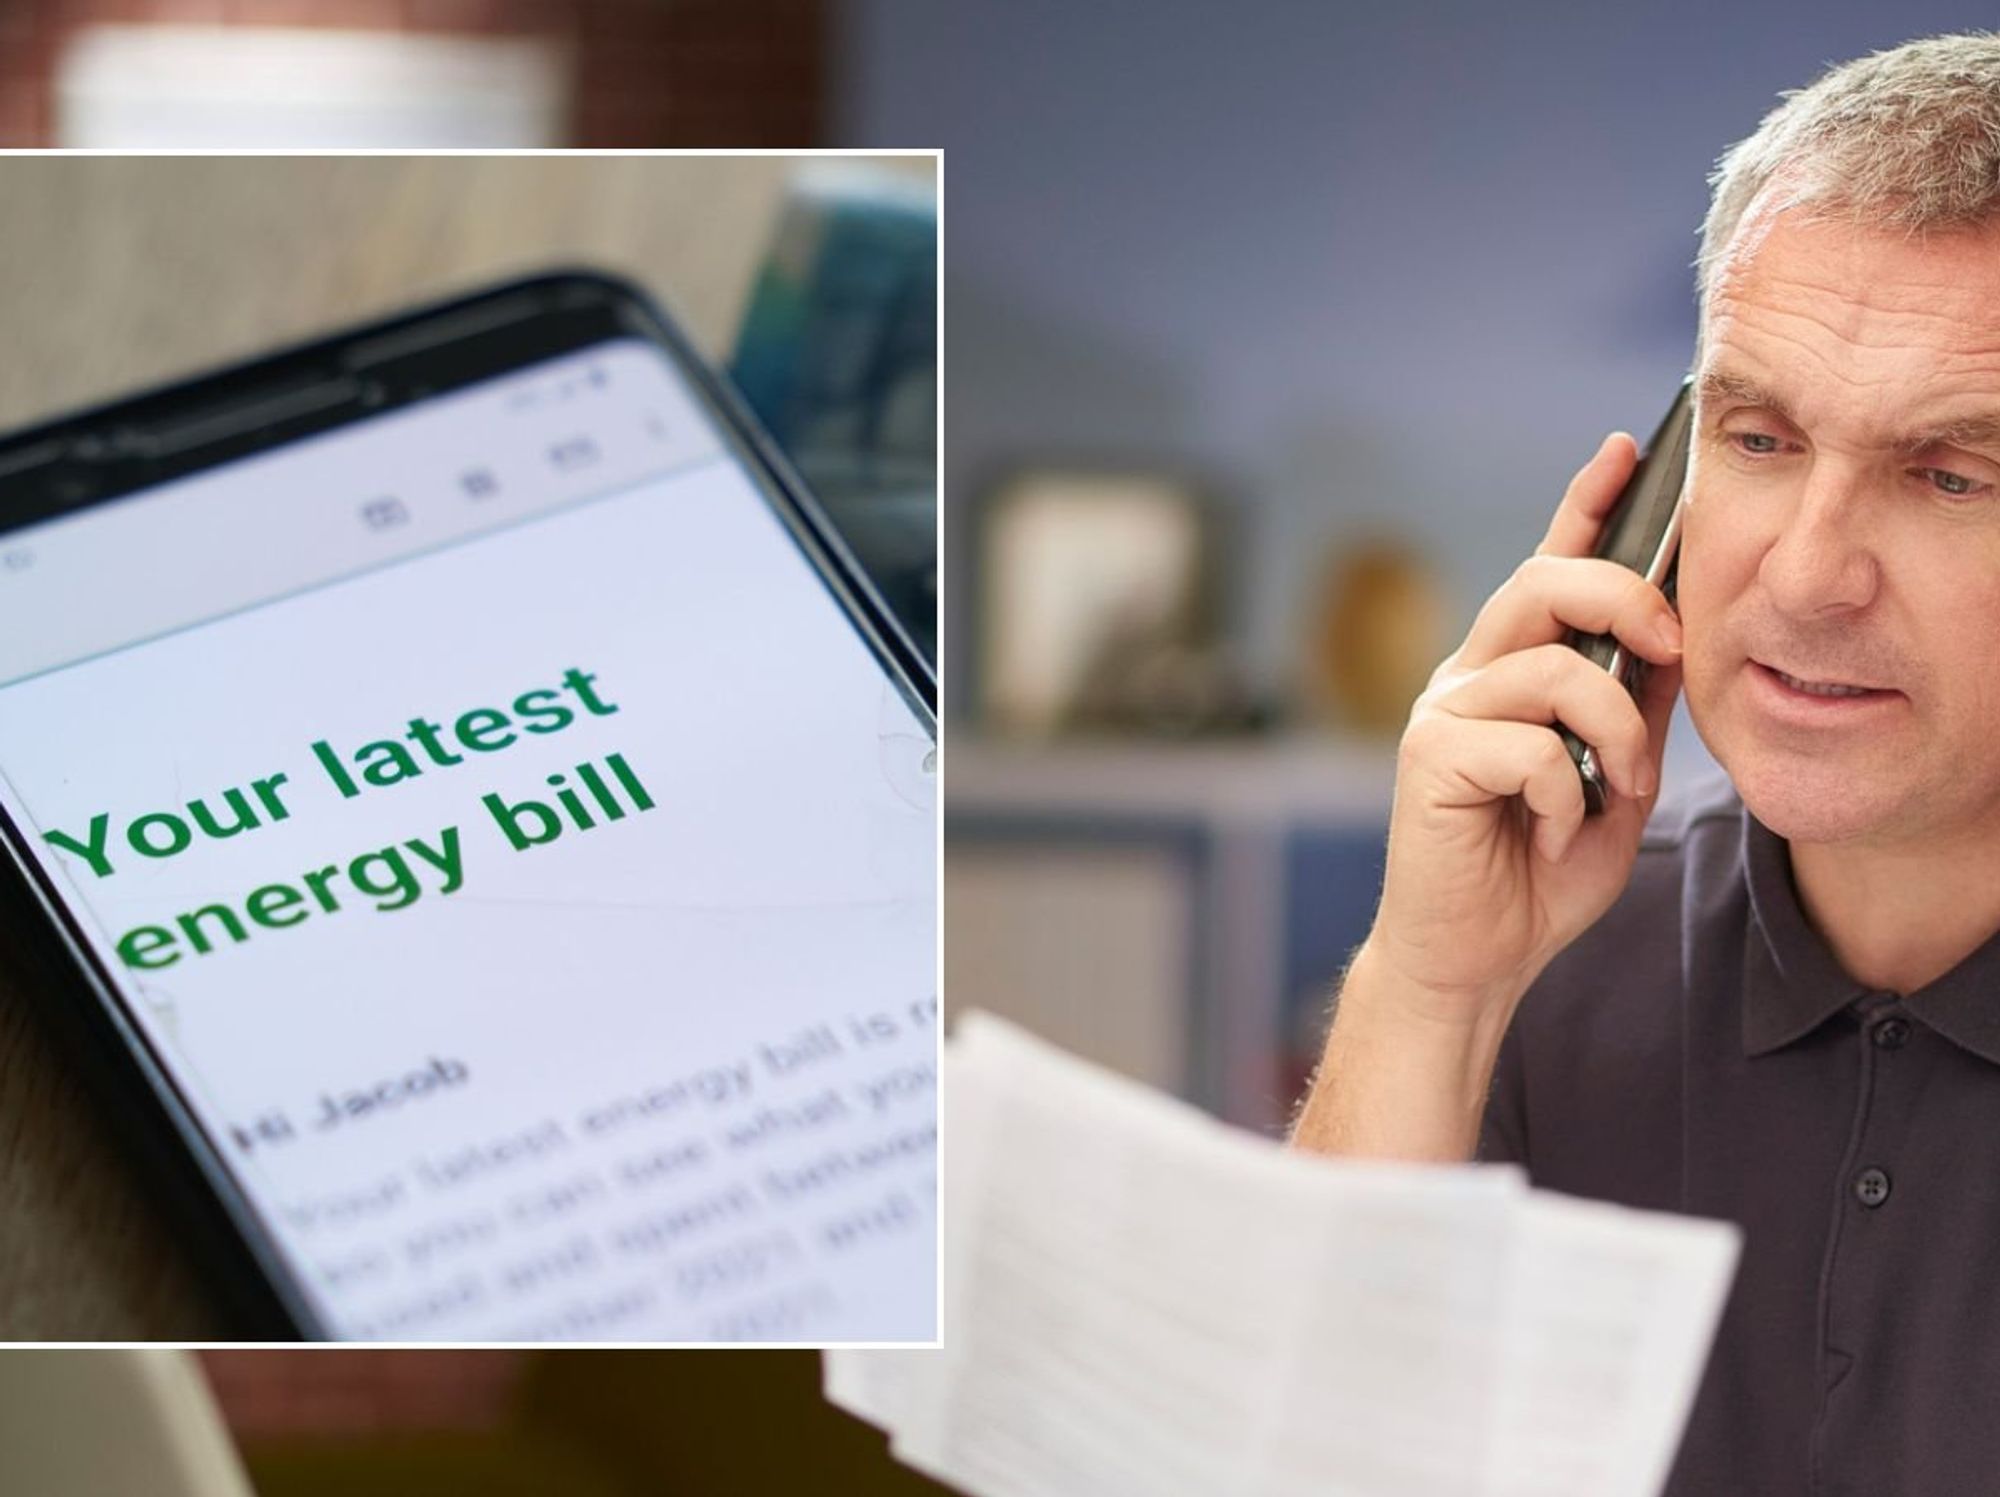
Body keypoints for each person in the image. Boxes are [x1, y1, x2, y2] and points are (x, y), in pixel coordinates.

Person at [1291, 33, 2000, 1495]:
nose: (1806, 577)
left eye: (1952, 474)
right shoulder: (1547, 962)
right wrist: (1433, 992)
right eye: (1758, 436)